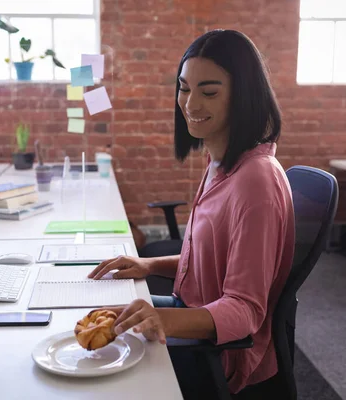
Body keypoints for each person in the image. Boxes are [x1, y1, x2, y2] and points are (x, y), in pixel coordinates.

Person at [88, 29, 295, 398]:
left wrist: (161, 317)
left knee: (105, 383)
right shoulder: (221, 161)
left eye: (209, 92)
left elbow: (245, 310)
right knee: (98, 323)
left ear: (243, 96)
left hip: (221, 354)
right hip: (194, 315)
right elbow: (213, 260)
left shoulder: (256, 181)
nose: (191, 104)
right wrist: (149, 265)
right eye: (184, 88)